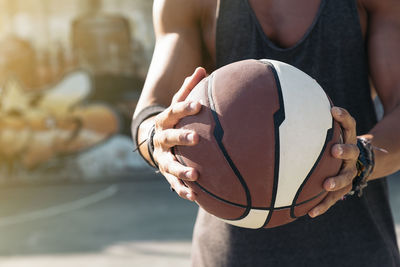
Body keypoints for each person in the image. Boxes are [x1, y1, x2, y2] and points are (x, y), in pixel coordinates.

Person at [132, 0, 400, 266]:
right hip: (230, 253)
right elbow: (149, 115)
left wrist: (360, 158)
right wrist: (158, 142)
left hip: (355, 248)